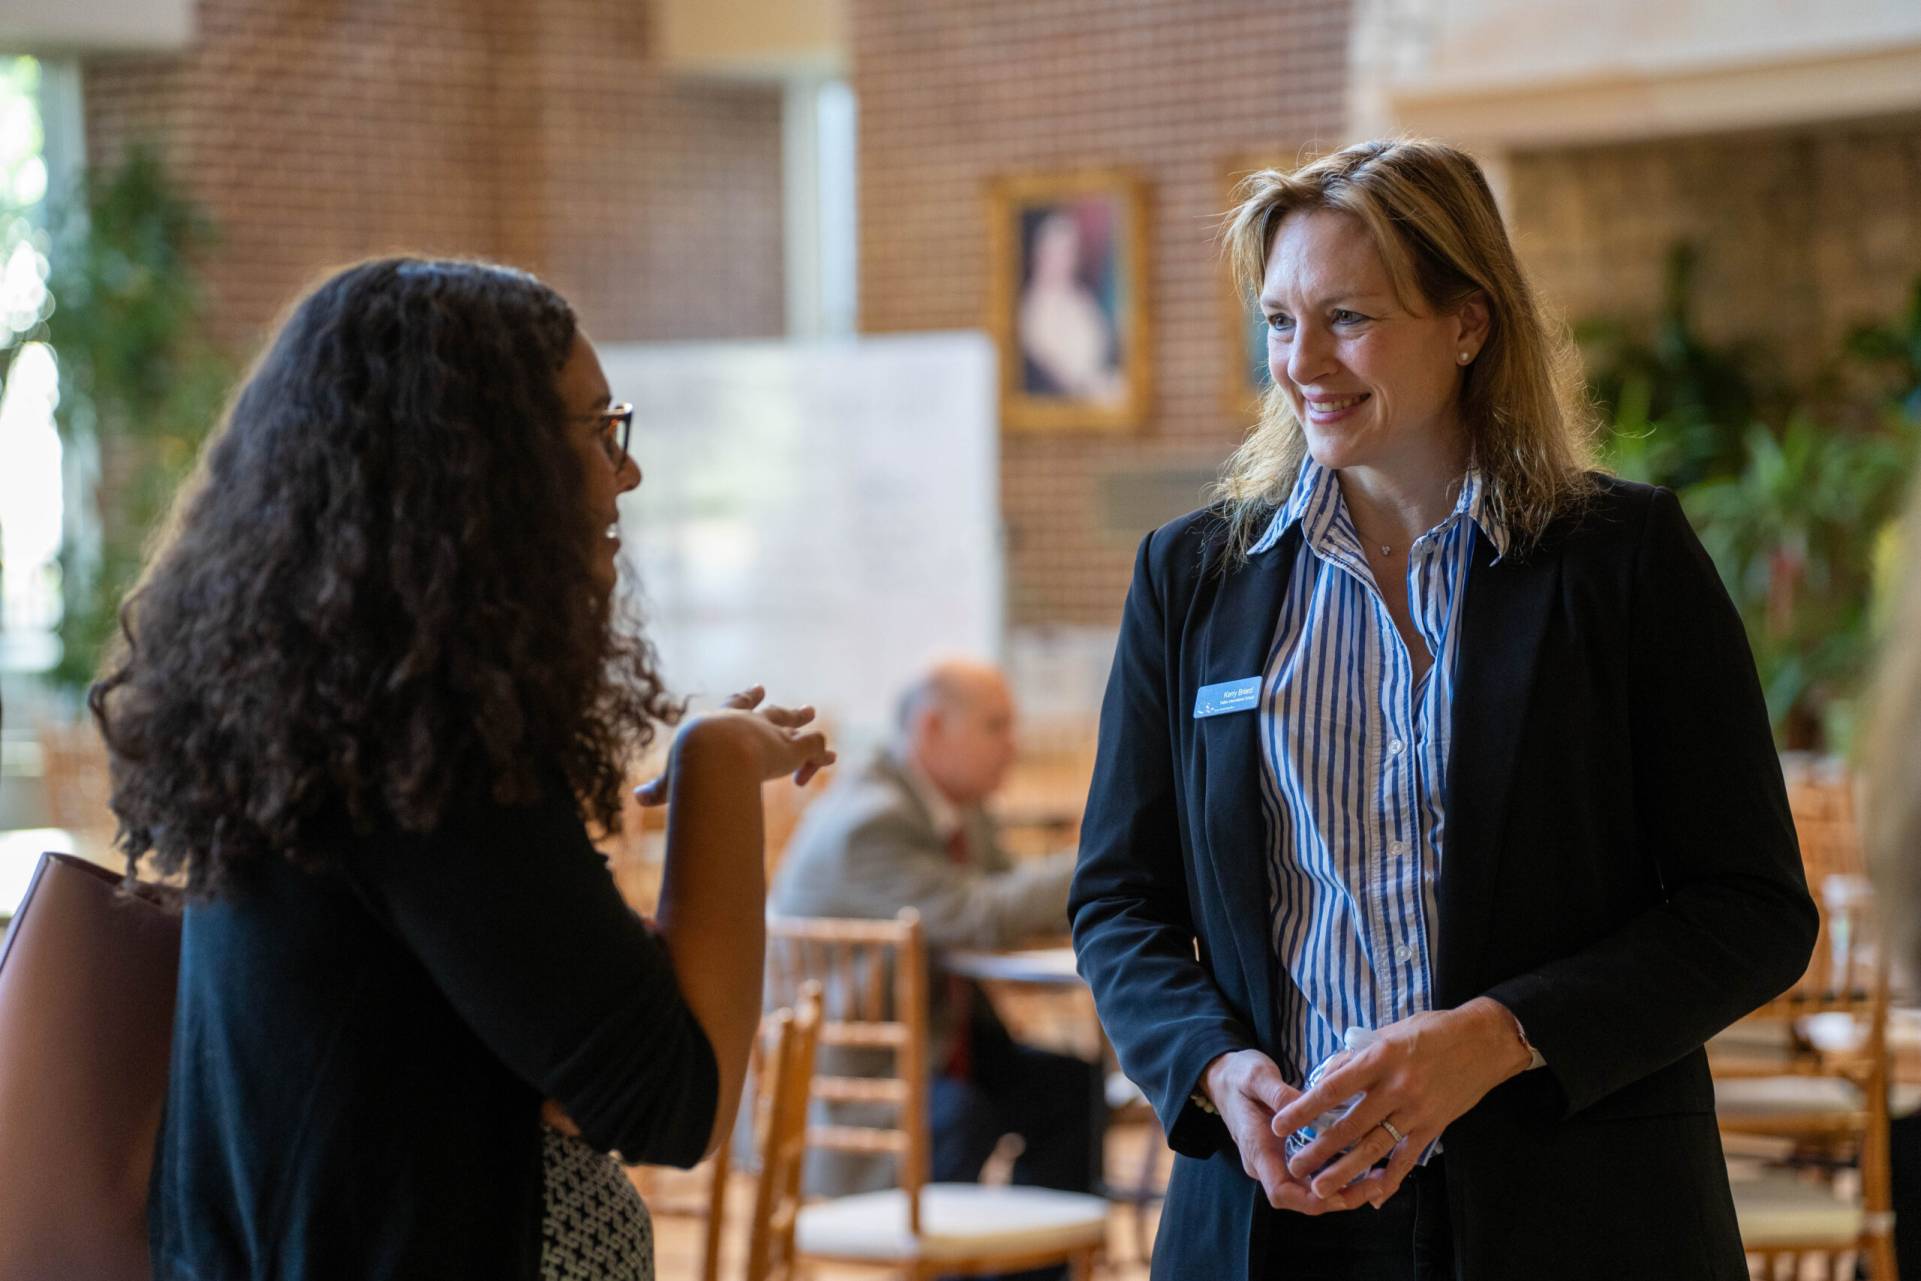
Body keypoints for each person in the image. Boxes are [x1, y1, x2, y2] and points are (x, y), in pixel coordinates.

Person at [1069, 138, 1819, 1281]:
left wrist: (1500, 1036)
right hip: (1270, 1222)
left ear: (1468, 324)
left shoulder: (1621, 562)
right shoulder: (1192, 579)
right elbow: (1119, 903)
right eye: (1279, 321)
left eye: (1348, 319)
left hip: (1577, 1216)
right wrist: (1216, 1067)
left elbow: (1752, 909)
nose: (1301, 363)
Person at [92, 257, 834, 1281]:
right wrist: (717, 758)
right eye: (598, 430)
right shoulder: (421, 752)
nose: (625, 473)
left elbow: (559, 1052)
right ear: (480, 465)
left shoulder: (334, 723)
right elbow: (677, 1100)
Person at [769, 659, 1102, 1220]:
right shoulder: (871, 821)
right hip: (857, 1085)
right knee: (963, 1117)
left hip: (937, 1044)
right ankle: (950, 1258)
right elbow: (981, 915)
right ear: (930, 728)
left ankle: (1036, 1260)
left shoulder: (957, 808)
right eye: (996, 726)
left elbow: (1012, 902)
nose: (1013, 745)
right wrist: (1100, 855)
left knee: (1072, 1087)